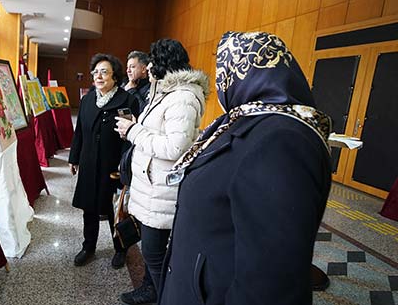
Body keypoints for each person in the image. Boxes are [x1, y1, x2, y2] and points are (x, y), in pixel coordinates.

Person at [159, 31, 332, 305]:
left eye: (223, 69)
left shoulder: (282, 138)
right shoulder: (242, 121)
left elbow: (271, 282)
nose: (219, 81)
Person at [115, 39, 208, 304]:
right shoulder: (166, 92)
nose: (150, 66)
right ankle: (151, 289)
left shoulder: (183, 97)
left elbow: (174, 147)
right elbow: (160, 131)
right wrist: (136, 127)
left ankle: (165, 298)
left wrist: (133, 131)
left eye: (154, 61)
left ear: (165, 63)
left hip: (162, 190)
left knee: (155, 254)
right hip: (152, 186)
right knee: (151, 251)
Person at [69, 53, 139, 269]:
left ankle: (120, 249)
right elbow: (79, 131)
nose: (98, 76)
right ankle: (88, 246)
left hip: (113, 165)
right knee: (89, 206)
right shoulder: (88, 99)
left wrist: (125, 166)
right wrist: (74, 157)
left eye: (104, 72)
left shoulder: (127, 101)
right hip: (89, 162)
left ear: (115, 77)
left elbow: (131, 137)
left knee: (113, 209)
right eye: (96, 72)